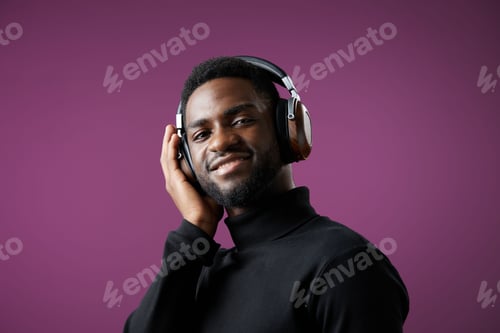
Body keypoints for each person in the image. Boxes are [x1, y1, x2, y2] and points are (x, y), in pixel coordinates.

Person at [123, 55, 409, 333]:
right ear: (185, 160)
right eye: (201, 135)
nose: (220, 142)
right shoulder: (196, 276)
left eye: (241, 120)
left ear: (289, 129)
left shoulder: (345, 264)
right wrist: (194, 228)